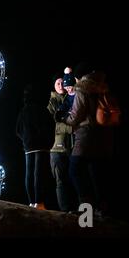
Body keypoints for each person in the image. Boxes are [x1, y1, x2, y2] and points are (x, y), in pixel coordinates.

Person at [57, 63, 114, 217]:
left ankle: (86, 211)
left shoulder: (82, 89)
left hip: (86, 136)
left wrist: (63, 118)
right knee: (97, 174)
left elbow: (76, 116)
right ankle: (102, 210)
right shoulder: (103, 87)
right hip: (104, 137)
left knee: (75, 170)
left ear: (79, 77)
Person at [16, 84, 54, 210]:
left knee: (29, 173)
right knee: (39, 174)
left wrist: (26, 139)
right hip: (42, 146)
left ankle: (31, 202)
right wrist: (48, 141)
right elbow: (50, 126)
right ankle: (40, 202)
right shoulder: (43, 110)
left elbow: (18, 130)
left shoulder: (23, 111)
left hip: (28, 145)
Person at [48, 71, 75, 212]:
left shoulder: (71, 98)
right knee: (61, 181)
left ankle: (77, 209)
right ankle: (65, 209)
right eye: (57, 83)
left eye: (62, 83)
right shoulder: (52, 102)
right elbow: (55, 122)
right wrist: (72, 127)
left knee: (74, 179)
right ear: (53, 85)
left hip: (72, 146)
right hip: (57, 147)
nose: (61, 85)